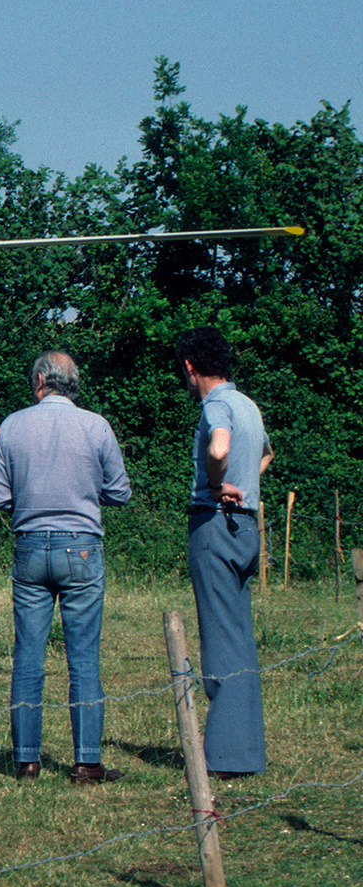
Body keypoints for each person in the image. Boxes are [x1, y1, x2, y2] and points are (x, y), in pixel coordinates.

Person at [0, 352, 131, 784]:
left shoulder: (12, 425)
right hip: (82, 546)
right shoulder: (96, 426)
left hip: (29, 545)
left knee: (28, 656)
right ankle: (86, 761)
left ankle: (27, 760)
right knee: (83, 659)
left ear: (40, 383)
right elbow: (119, 492)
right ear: (72, 384)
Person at [176, 327, 273, 778]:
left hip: (215, 523)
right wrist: (246, 484)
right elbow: (268, 453)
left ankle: (227, 757)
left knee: (219, 641)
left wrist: (217, 484)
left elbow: (219, 446)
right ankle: (246, 750)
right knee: (238, 636)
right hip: (247, 527)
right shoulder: (248, 405)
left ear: (191, 367)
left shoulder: (215, 404)